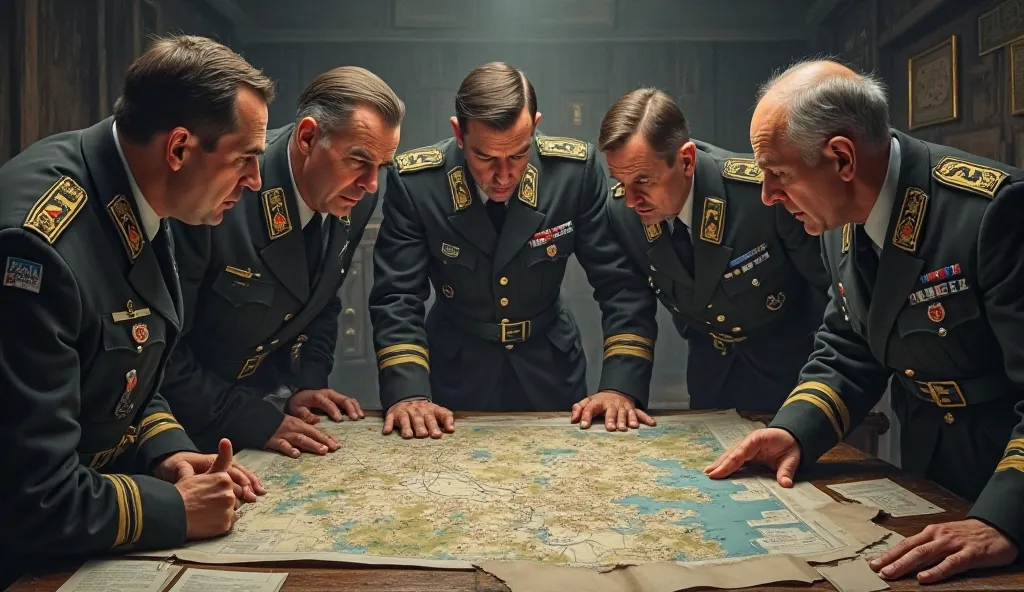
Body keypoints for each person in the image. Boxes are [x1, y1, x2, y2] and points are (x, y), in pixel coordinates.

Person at [705, 59, 1024, 583]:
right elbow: (851, 344)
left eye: (778, 174)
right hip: (928, 468)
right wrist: (794, 432)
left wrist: (1002, 518)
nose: (767, 195)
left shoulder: (993, 211)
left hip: (1007, 487)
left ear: (842, 158)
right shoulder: (837, 212)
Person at [0, 35, 274, 586]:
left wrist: (166, 451)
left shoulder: (135, 190)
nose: (255, 181)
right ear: (178, 149)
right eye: (245, 158)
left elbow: (121, 379)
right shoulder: (38, 244)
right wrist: (176, 510)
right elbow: (33, 495)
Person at [369, 62, 659, 439]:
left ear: (535, 126)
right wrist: (408, 393)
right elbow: (398, 296)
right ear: (459, 133)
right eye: (486, 158)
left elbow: (621, 285)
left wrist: (621, 385)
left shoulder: (572, 173)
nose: (504, 176)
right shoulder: (418, 184)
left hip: (551, 371)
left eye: (519, 155)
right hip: (454, 375)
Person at [162, 67, 404, 458]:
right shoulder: (223, 189)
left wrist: (305, 383)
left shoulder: (357, 196)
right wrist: (253, 419)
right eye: (358, 160)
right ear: (308, 137)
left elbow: (322, 300)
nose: (371, 184)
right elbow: (164, 352)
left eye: (381, 167)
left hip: (268, 402)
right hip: (184, 426)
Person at [599, 88, 829, 411]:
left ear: (687, 160)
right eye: (621, 181)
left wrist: (822, 393)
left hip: (792, 376)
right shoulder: (622, 212)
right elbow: (629, 303)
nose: (632, 199)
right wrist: (619, 388)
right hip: (711, 378)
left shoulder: (762, 194)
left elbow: (828, 291)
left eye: (644, 181)